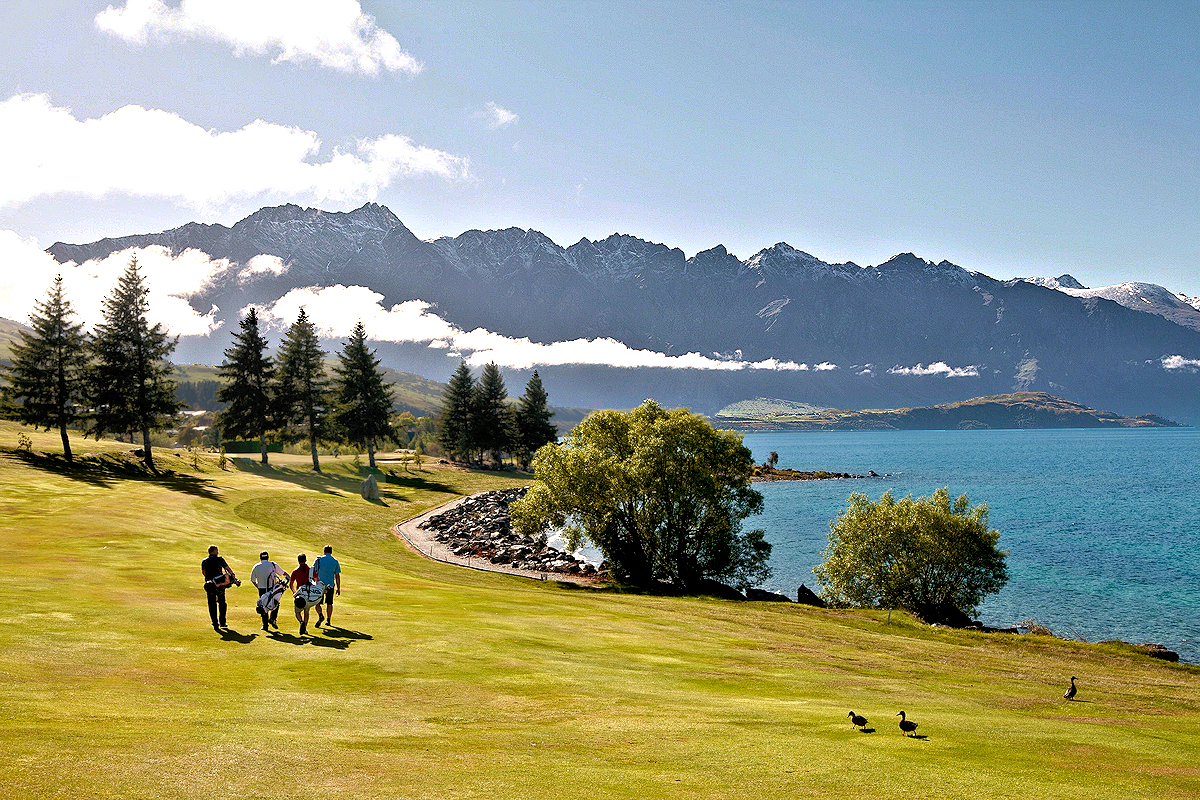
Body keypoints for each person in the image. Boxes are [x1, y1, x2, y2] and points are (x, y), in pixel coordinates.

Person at [201, 545, 237, 631]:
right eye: (217, 550)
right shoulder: (219, 559)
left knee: (212, 604)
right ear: (214, 551)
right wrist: (233, 576)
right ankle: (222, 622)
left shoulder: (204, 561)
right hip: (220, 584)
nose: (217, 552)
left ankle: (215, 624)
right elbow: (227, 569)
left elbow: (203, 572)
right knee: (222, 603)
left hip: (210, 585)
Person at [249, 551, 287, 632]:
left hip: (261, 589)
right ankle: (273, 619)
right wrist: (289, 577)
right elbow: (282, 573)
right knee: (275, 603)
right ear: (268, 557)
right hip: (271, 588)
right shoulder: (272, 564)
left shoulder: (256, 566)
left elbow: (253, 580)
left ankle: (265, 625)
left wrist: (258, 586)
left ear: (260, 558)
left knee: (263, 605)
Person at [311, 545, 342, 628]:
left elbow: (313, 571)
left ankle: (320, 615)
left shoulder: (318, 559)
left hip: (319, 585)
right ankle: (328, 619)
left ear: (324, 551)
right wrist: (338, 588)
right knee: (329, 603)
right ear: (331, 552)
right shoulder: (335, 561)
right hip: (330, 585)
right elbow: (337, 575)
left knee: (317, 603)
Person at [289, 553, 314, 635]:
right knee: (306, 611)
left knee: (297, 612)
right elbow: (317, 580)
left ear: (298, 561)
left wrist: (294, 592)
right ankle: (305, 628)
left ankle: (301, 622)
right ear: (305, 560)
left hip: (300, 594)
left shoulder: (295, 571)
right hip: (308, 593)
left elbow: (291, 584)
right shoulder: (310, 570)